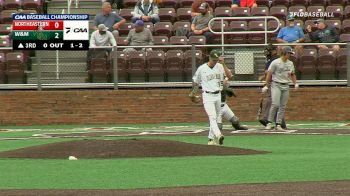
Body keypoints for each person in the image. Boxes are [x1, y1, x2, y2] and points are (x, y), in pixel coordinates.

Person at [189, 50, 233, 146]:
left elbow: (229, 76)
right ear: (209, 58)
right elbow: (196, 82)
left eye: (216, 60)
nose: (215, 62)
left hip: (218, 95)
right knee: (212, 117)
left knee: (216, 117)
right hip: (207, 95)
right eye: (213, 60)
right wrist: (192, 93)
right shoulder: (202, 68)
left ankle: (210, 139)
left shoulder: (220, 67)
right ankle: (219, 135)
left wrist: (223, 63)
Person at [262, 46, 299, 131]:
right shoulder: (275, 62)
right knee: (275, 104)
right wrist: (266, 85)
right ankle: (269, 122)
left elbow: (292, 74)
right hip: (276, 84)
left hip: (286, 85)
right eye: (289, 53)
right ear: (284, 53)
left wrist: (295, 83)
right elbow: (269, 74)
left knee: (282, 106)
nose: (290, 55)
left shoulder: (290, 63)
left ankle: (278, 124)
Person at [259, 44, 287, 129]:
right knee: (276, 103)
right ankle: (280, 122)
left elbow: (269, 72)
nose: (267, 52)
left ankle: (267, 119)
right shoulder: (275, 59)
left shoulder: (274, 59)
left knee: (272, 102)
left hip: (275, 83)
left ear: (274, 50)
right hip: (277, 83)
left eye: (269, 50)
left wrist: (266, 83)